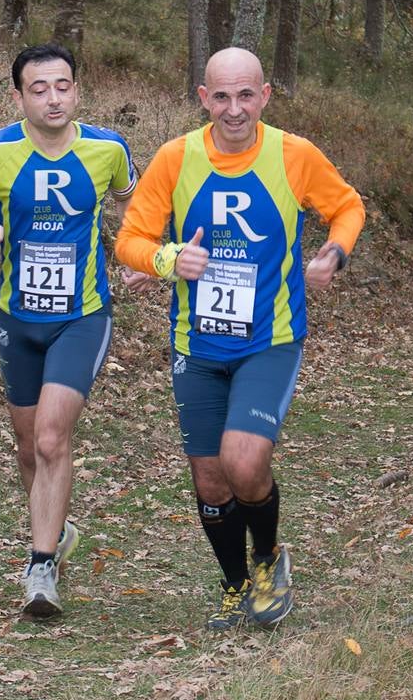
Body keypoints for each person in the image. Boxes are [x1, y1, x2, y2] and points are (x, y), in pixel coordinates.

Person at [115, 47, 364, 630]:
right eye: (221, 96)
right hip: (196, 345)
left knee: (243, 460)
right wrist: (169, 257)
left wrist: (334, 252)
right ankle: (233, 586)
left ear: (265, 95)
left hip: (269, 339)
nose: (234, 109)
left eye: (245, 95)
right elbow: (130, 239)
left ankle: (267, 557)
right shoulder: (175, 158)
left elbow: (346, 207)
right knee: (208, 475)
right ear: (203, 98)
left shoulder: (293, 154)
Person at [0, 43, 137, 619]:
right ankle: (55, 528)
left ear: (77, 89)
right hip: (17, 319)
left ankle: (41, 567)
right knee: (29, 447)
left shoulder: (109, 149)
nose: (53, 97)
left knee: (52, 438)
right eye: (39, 88)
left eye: (63, 86)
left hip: (82, 315)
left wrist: (140, 251)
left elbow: (134, 205)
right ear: (19, 95)